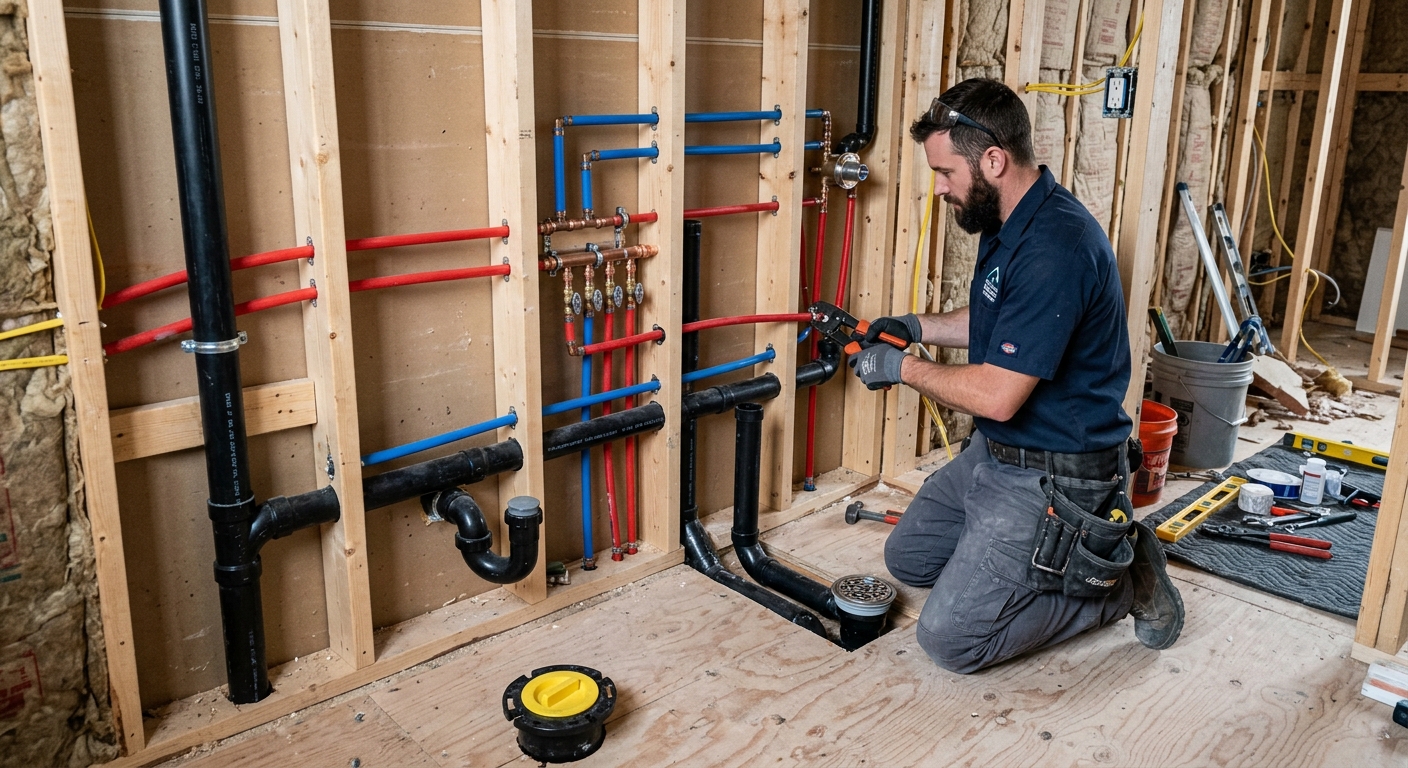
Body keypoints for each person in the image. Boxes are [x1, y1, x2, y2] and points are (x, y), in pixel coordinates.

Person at [847, 78, 1184, 674]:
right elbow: (995, 316)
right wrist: (912, 326)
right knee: (911, 559)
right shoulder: (1008, 221)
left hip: (1059, 474)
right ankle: (1023, 561)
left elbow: (997, 396)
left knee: (951, 641)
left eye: (947, 173)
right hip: (996, 455)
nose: (942, 188)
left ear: (994, 161)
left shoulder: (1058, 245)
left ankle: (1118, 581)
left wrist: (900, 366)